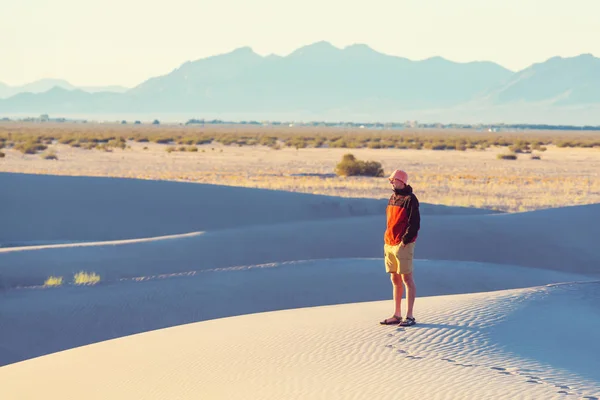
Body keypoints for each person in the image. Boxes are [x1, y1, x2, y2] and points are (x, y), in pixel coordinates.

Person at [379, 169, 421, 327]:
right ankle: (397, 314)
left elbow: (415, 223)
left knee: (407, 279)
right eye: (390, 180)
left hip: (402, 244)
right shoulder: (393, 197)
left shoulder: (411, 199)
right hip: (389, 242)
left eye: (394, 180)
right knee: (394, 278)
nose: (391, 182)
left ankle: (409, 316)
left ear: (402, 181)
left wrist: (405, 241)